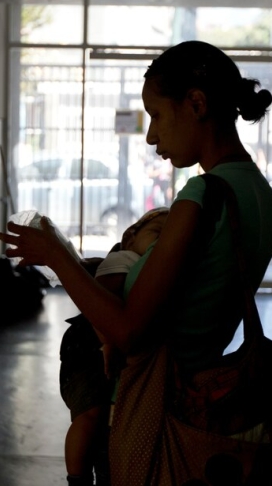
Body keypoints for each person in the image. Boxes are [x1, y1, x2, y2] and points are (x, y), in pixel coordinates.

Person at [0, 40, 272, 483]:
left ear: (196, 104)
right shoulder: (261, 195)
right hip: (202, 393)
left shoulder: (200, 197)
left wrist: (55, 255)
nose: (151, 136)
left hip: (156, 404)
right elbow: (192, 286)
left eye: (157, 115)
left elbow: (129, 330)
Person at [60, 207, 169, 486]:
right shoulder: (124, 258)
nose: (160, 243)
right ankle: (77, 478)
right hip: (89, 344)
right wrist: (107, 342)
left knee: (104, 422)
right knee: (89, 415)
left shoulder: (149, 264)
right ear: (130, 236)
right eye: (156, 234)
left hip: (107, 345)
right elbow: (102, 298)